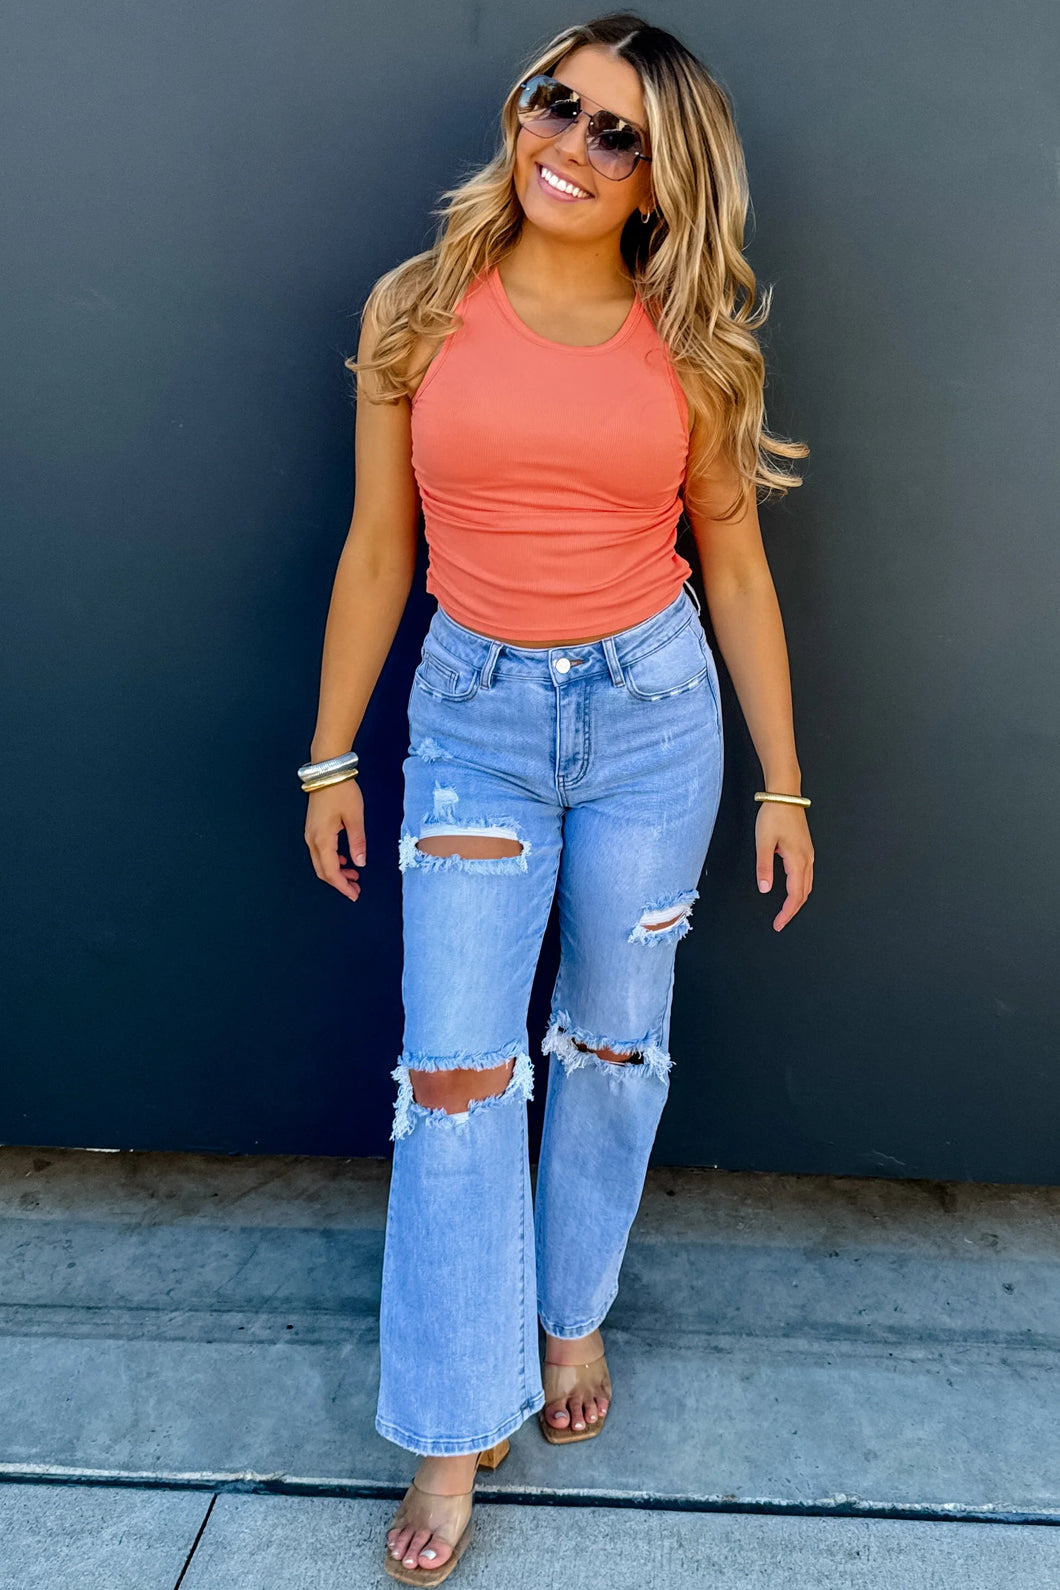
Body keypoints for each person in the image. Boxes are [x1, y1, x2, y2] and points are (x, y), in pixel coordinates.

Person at [302, 12, 814, 1583]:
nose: (570, 145)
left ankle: (570, 1312)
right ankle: (455, 1420)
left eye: (616, 133)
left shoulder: (695, 343)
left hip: (655, 720)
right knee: (455, 1076)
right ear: (521, 108)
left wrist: (785, 785)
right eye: (555, 103)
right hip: (474, 722)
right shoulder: (417, 305)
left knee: (609, 1046)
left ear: (663, 181)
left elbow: (735, 565)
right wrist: (331, 754)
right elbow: (378, 548)